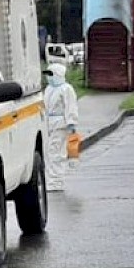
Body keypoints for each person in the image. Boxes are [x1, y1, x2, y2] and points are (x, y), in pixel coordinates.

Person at [42, 63, 78, 191]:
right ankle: (51, 179)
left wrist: (71, 123)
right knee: (50, 152)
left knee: (56, 152)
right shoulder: (49, 89)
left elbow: (71, 106)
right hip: (49, 123)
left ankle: (57, 181)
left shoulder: (66, 89)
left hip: (61, 124)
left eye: (51, 74)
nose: (49, 77)